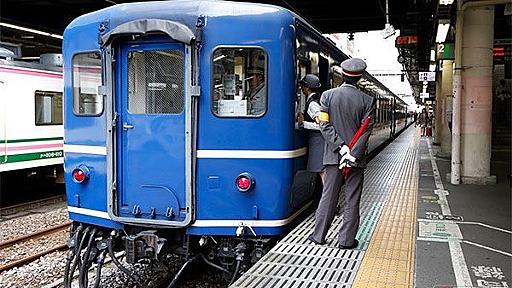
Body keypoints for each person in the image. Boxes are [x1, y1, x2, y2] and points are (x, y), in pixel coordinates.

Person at [308, 58, 374, 249]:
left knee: (328, 195)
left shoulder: (327, 96)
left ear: (343, 75)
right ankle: (346, 241)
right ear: (359, 78)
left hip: (333, 157)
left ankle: (319, 236)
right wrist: (352, 153)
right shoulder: (368, 101)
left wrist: (340, 147)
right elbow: (366, 130)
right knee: (352, 198)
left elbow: (324, 126)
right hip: (356, 159)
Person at [297, 74, 325, 184]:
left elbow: (322, 125)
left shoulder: (313, 104)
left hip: (318, 142)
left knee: (322, 174)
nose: (301, 88)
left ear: (307, 88)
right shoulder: (315, 100)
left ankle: (327, 198)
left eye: (303, 86)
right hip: (317, 142)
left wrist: (304, 124)